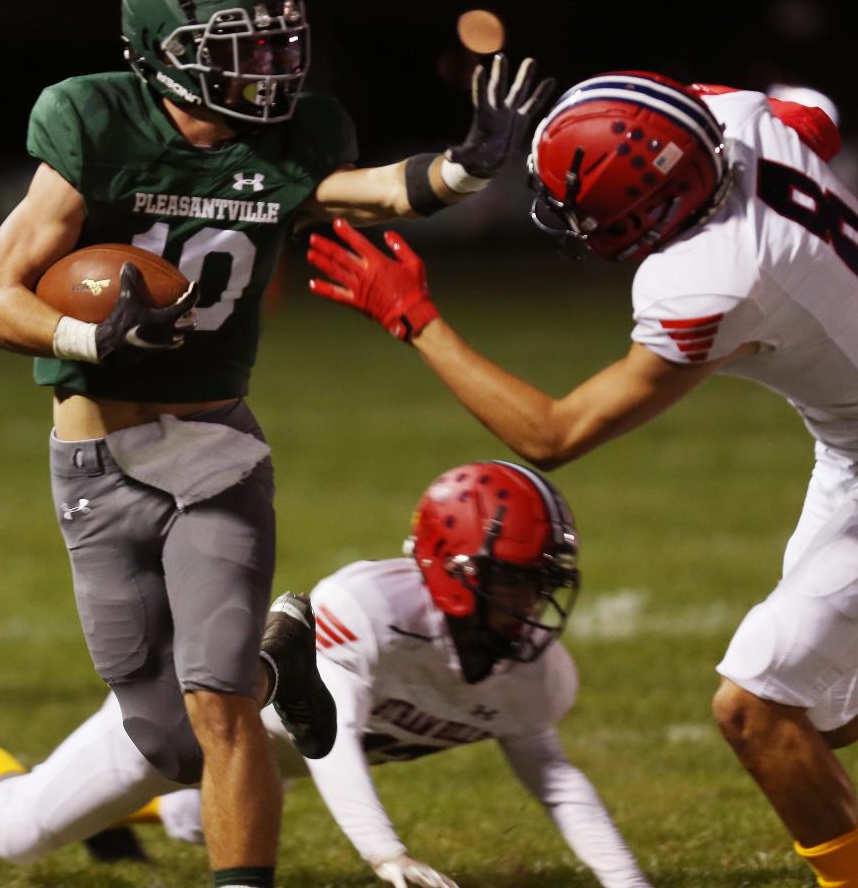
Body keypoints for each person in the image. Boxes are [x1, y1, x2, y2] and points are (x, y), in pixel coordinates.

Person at [0, 0, 549, 888]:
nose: (268, 68)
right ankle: (286, 661)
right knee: (163, 729)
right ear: (162, 49)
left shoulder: (295, 140)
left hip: (214, 448)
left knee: (218, 700)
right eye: (238, 48)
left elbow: (370, 193)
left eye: (276, 43)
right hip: (95, 462)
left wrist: (468, 165)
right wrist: (86, 337)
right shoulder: (92, 122)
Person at [306, 72, 858, 887]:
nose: (579, 228)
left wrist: (413, 318)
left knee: (758, 708)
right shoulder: (739, 121)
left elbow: (552, 434)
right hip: (845, 441)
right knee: (819, 712)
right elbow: (810, 111)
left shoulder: (714, 278)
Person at [0, 461, 652, 888]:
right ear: (454, 572)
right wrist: (386, 854)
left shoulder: (535, 674)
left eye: (540, 580)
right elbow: (333, 745)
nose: (533, 601)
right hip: (196, 724)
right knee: (14, 831)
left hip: (259, 758)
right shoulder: (368, 609)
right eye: (516, 580)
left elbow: (553, 778)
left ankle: (116, 814)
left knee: (199, 822)